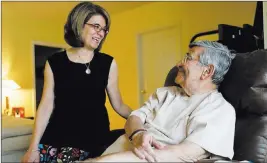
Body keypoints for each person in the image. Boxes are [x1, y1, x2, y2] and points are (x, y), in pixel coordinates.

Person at [83, 40, 237, 162]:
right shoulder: (165, 93)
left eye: (188, 58)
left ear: (207, 71)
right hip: (113, 153)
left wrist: (99, 162)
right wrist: (138, 134)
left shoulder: (219, 109)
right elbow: (134, 118)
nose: (179, 64)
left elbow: (183, 154)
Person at [22, 2, 132, 163]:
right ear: (79, 25)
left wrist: (143, 119)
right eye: (96, 26)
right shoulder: (54, 62)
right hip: (60, 138)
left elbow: (119, 105)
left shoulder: (108, 63)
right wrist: (33, 148)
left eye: (104, 29)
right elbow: (46, 106)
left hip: (95, 139)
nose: (100, 33)